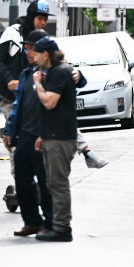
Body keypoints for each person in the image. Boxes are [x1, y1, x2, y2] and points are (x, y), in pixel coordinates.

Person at [0, 0, 51, 205]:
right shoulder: (11, 35)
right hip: (12, 99)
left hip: (36, 101)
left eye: (45, 19)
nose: (42, 22)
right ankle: (20, 185)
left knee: (36, 144)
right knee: (16, 144)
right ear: (31, 16)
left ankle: (36, 185)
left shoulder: (44, 41)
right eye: (39, 18)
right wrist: (8, 80)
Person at [4, 29, 56, 237]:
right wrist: (9, 131)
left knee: (45, 182)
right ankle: (32, 221)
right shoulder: (26, 75)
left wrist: (79, 77)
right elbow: (17, 106)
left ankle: (50, 222)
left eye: (32, 48)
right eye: (27, 47)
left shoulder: (53, 73)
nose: (28, 52)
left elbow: (76, 82)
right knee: (22, 180)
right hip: (24, 136)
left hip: (43, 135)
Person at [28, 37, 77, 242]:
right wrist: (43, 135)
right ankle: (58, 225)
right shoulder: (56, 72)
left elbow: (49, 103)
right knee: (52, 183)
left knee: (58, 183)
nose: (34, 57)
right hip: (52, 136)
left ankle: (62, 228)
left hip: (60, 138)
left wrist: (37, 85)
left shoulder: (59, 72)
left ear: (45, 55)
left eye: (37, 54)